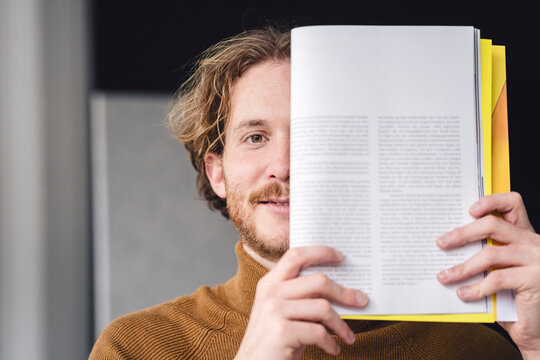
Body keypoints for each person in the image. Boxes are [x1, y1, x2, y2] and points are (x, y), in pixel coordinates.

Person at [89, 27, 540, 359]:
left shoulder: (478, 350)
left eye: (313, 136)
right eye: (255, 137)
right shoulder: (134, 346)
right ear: (217, 174)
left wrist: (536, 345)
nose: (284, 165)